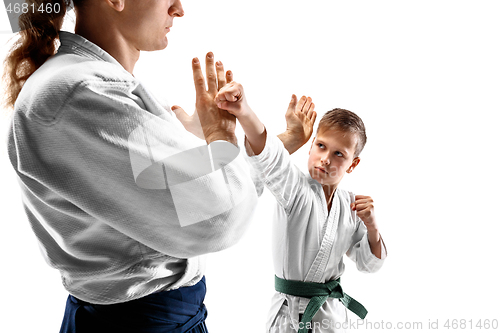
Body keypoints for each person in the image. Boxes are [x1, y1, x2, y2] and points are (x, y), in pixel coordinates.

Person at [1, 0, 311, 332]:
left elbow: (182, 189)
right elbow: (220, 216)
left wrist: (274, 146)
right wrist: (218, 135)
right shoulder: (82, 94)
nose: (179, 9)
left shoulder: (99, 86)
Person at [214, 82, 388, 333]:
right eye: (321, 146)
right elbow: (269, 156)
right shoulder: (294, 188)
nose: (326, 158)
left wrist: (372, 226)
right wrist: (244, 112)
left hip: (333, 319)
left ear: (353, 164)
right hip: (290, 317)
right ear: (311, 145)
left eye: (339, 154)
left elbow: (368, 264)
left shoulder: (350, 206)